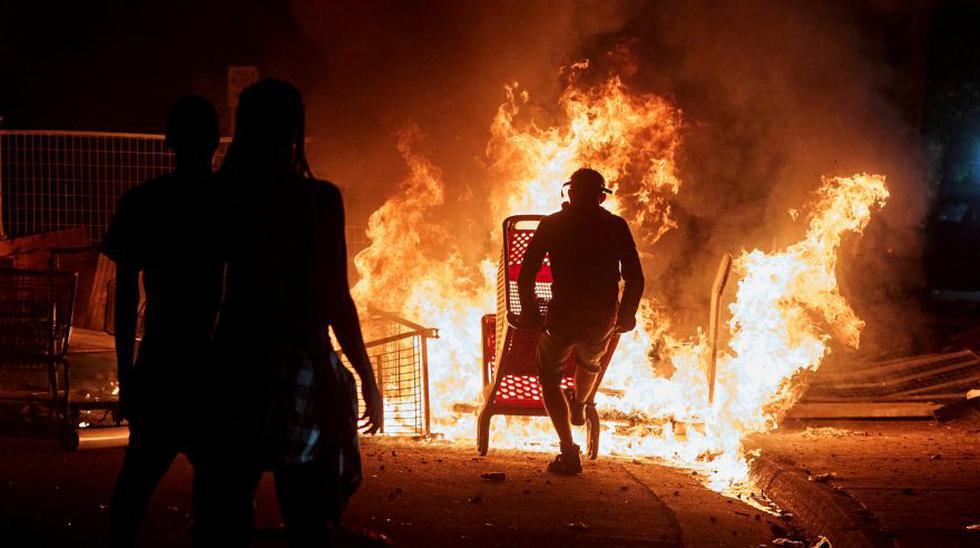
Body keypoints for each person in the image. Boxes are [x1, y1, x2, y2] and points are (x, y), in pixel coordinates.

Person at [193, 78, 383, 547]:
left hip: (235, 366)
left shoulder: (223, 196)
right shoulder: (319, 199)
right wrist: (363, 375)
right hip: (302, 367)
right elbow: (337, 297)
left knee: (223, 509)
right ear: (295, 130)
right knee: (309, 518)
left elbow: (203, 293)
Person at [103, 96, 224, 547]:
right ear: (215, 142)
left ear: (168, 142)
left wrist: (127, 372)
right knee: (219, 497)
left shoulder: (144, 202)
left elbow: (125, 295)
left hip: (161, 360)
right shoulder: (229, 202)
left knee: (135, 485)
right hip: (216, 366)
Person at [515, 168, 644, 475]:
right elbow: (635, 277)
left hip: (561, 317)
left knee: (549, 377)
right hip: (601, 319)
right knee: (590, 362)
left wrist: (531, 310)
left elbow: (527, 273)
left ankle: (568, 450)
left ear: (570, 194)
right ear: (601, 197)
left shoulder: (552, 224)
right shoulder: (615, 225)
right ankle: (581, 403)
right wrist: (626, 315)